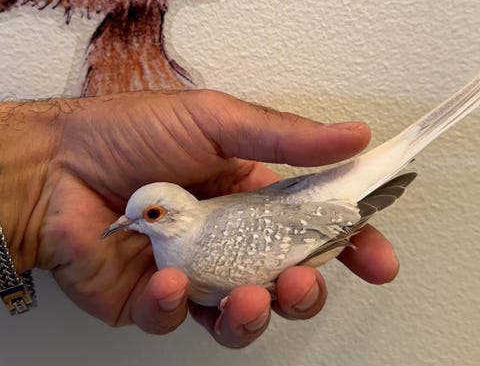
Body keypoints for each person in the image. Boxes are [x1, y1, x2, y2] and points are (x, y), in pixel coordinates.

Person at [0, 88, 399, 348]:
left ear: (171, 214)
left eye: (150, 215)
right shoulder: (182, 252)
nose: (125, 224)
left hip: (310, 209)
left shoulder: (197, 262)